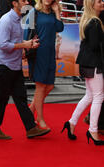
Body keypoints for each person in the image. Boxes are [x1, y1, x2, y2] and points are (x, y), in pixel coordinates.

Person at [0, 0, 51, 139]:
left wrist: (25, 47)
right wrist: (24, 45)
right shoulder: (6, 20)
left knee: (21, 98)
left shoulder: (23, 18)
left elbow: (17, 42)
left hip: (15, 65)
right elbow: (3, 45)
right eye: (23, 0)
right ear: (14, 3)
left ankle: (31, 128)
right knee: (2, 100)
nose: (26, 2)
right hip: (3, 66)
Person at [62, 0, 103, 145]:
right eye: (99, 1)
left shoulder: (89, 21)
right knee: (98, 97)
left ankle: (72, 123)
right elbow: (94, 46)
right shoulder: (95, 23)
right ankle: (93, 130)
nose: (102, 3)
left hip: (87, 63)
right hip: (94, 64)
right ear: (92, 5)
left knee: (90, 96)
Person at [24, 0, 64, 130]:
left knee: (50, 85)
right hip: (38, 52)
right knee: (40, 86)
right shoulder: (32, 12)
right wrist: (25, 49)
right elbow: (26, 33)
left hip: (50, 52)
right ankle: (40, 119)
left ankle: (30, 110)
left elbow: (60, 28)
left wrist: (57, 12)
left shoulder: (53, 12)